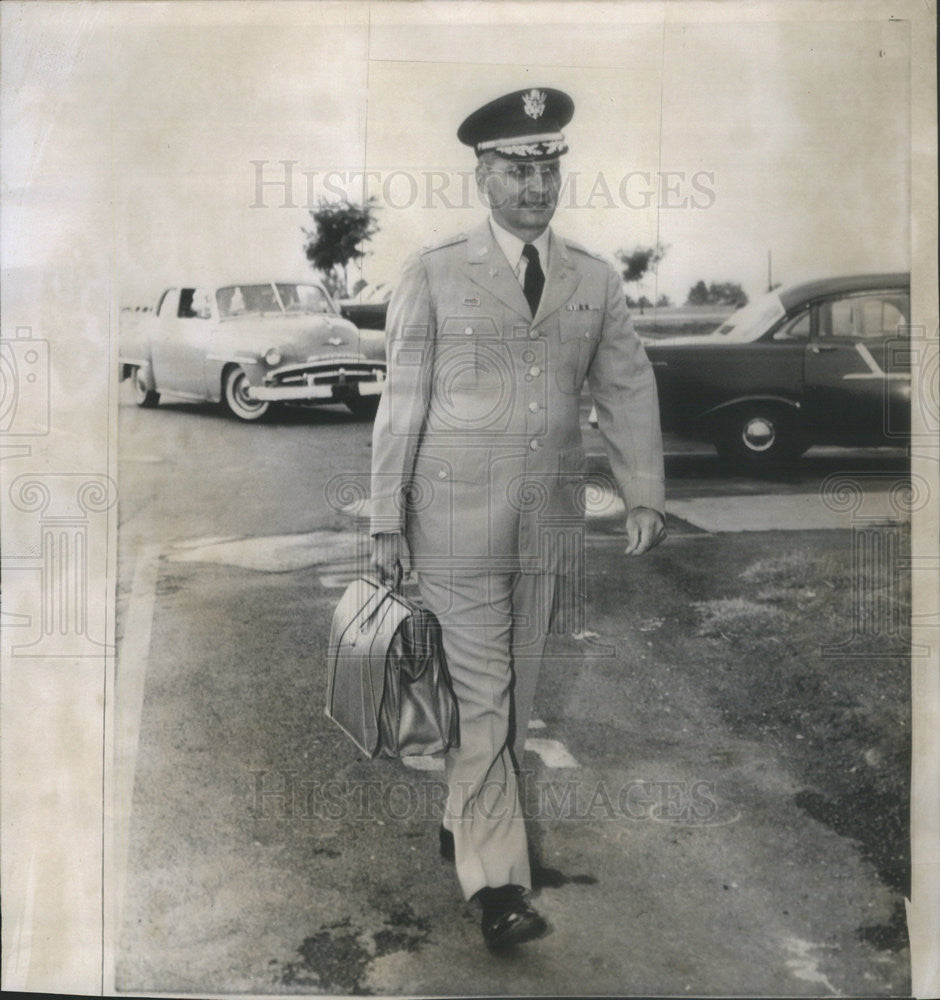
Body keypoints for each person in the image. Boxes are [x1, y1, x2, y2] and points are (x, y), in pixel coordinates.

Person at [370, 87, 666, 948]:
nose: (535, 186)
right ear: (482, 175)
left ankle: (466, 814)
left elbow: (626, 385)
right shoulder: (431, 273)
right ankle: (499, 888)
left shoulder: (594, 279)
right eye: (516, 169)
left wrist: (643, 491)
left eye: (547, 168)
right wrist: (387, 517)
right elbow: (403, 400)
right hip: (454, 526)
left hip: (549, 529)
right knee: (487, 703)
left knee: (517, 693)